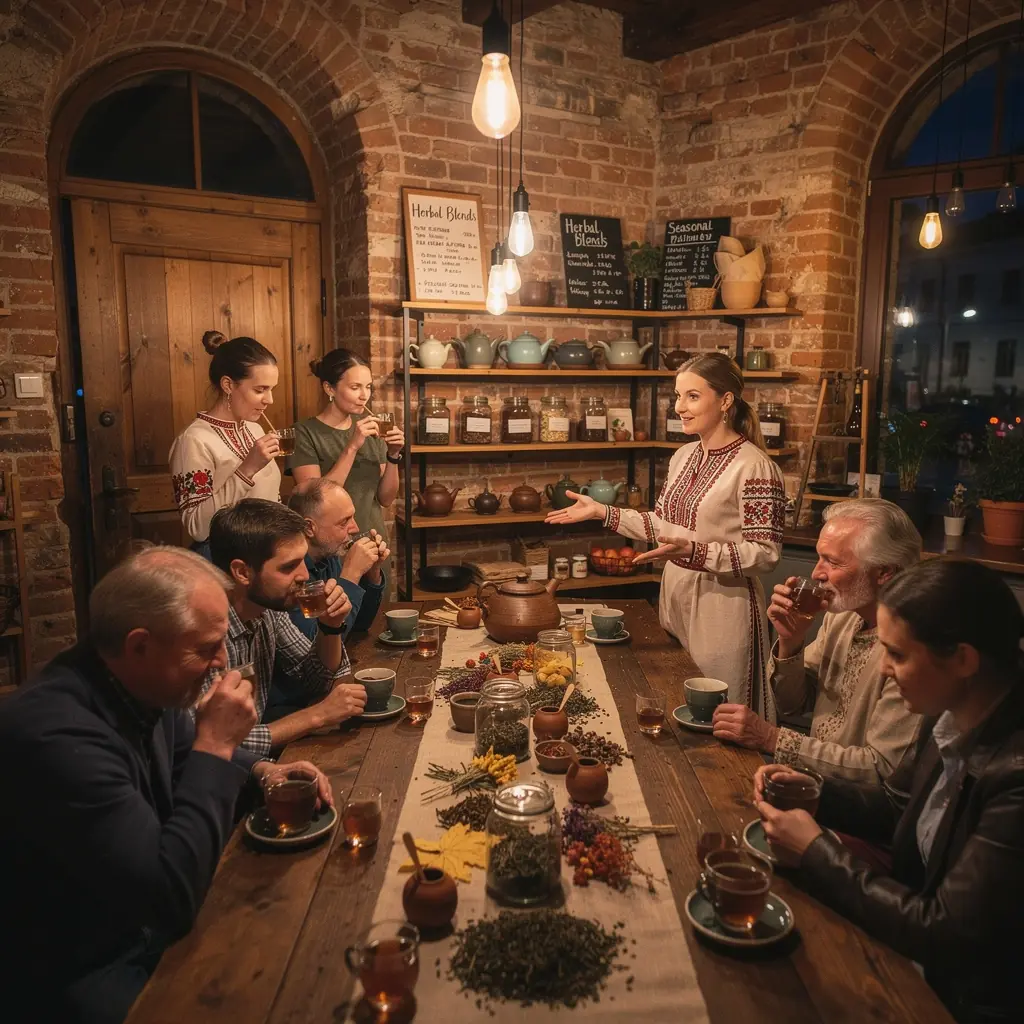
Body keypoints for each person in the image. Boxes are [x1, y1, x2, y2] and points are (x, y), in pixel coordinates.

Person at [0, 547, 330, 1024]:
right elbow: (168, 898)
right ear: (139, 645)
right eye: (205, 647)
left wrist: (263, 772)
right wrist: (215, 745)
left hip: (140, 927)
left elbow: (180, 755)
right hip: (76, 970)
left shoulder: (136, 684)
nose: (222, 663)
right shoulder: (54, 735)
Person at [755, 558, 1024, 1024]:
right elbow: (901, 808)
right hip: (914, 952)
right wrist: (817, 795)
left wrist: (816, 851)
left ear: (963, 659)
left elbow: (944, 931)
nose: (883, 670)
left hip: (961, 1001)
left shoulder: (1014, 775)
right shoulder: (950, 711)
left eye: (897, 654)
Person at [546, 352, 786, 719]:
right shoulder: (684, 456)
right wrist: (602, 512)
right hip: (674, 596)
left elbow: (765, 553)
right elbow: (663, 524)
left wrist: (696, 551)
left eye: (692, 396)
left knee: (718, 715)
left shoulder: (755, 467)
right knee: (676, 699)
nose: (680, 407)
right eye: (678, 396)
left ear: (725, 401)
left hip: (721, 606)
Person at [712, 498, 923, 785]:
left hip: (860, 811)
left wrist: (771, 738)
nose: (816, 574)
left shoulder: (912, 649)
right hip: (814, 784)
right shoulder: (844, 617)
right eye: (819, 557)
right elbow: (792, 705)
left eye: (833, 562)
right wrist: (792, 640)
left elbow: (880, 769)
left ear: (884, 572)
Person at [204, 498, 367, 756]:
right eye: (289, 566)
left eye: (302, 560)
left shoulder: (267, 610)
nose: (303, 575)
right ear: (242, 573)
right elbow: (213, 742)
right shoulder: (204, 635)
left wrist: (330, 627)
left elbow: (316, 678)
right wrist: (317, 716)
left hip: (255, 767)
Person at [169, 331, 282, 555]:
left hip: (266, 555)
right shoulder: (193, 441)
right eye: (260, 390)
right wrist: (247, 469)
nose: (269, 400)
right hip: (226, 560)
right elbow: (198, 528)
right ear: (228, 385)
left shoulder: (254, 429)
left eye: (272, 390)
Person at [289, 349, 405, 565]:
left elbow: (386, 499)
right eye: (355, 387)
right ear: (329, 388)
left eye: (368, 387)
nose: (364, 395)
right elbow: (314, 503)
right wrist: (352, 446)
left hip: (373, 542)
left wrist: (393, 455)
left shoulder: (372, 428)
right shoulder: (304, 433)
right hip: (330, 550)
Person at [286, 478, 389, 639]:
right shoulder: (291, 572)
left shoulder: (328, 556)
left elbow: (359, 624)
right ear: (309, 528)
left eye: (352, 517)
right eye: (344, 522)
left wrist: (372, 573)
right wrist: (351, 574)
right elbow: (316, 645)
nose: (355, 528)